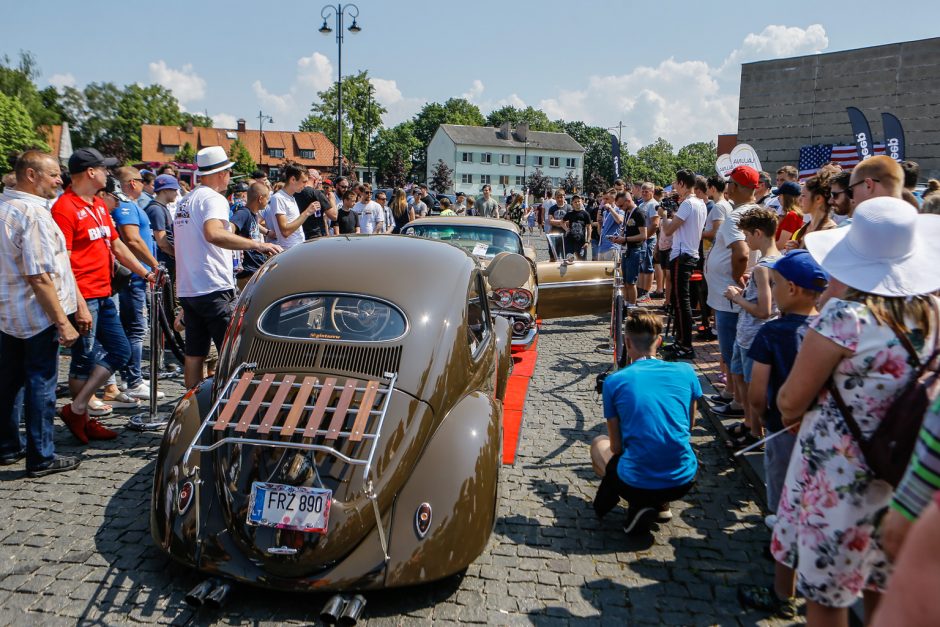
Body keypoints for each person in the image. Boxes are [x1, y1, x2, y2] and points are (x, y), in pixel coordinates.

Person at [771, 197, 940, 625]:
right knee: (881, 586)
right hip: (903, 474)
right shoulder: (934, 313)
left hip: (841, 477)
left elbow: (790, 400)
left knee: (828, 600)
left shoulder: (845, 318)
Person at [737, 249, 828, 618]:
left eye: (774, 285)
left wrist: (757, 418)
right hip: (819, 433)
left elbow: (757, 391)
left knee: (784, 501)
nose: (770, 290)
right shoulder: (828, 329)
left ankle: (782, 584)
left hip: (781, 429)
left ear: (791, 288)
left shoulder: (773, 332)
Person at [52, 148, 155, 442]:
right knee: (83, 360)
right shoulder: (64, 208)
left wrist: (146, 271)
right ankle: (80, 417)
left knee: (120, 350)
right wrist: (80, 304)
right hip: (83, 296)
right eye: (103, 168)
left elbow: (117, 246)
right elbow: (64, 262)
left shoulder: (98, 204)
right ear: (90, 172)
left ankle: (77, 408)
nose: (108, 173)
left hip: (105, 292)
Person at [0, 151, 84, 476]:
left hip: (9, 314)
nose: (59, 180)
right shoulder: (31, 213)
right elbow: (40, 277)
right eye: (53, 175)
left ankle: (8, 447)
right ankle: (41, 456)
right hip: (35, 316)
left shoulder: (5, 206)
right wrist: (63, 322)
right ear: (31, 175)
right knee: (40, 384)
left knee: (10, 383)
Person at [174, 147, 281, 389]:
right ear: (222, 173)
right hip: (212, 286)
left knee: (195, 354)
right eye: (228, 172)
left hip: (190, 287)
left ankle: (192, 404)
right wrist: (257, 245)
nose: (229, 177)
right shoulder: (213, 199)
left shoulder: (186, 199)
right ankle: (232, 405)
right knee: (233, 353)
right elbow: (213, 233)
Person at [591, 309, 702, 534]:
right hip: (683, 477)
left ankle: (639, 503)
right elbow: (689, 426)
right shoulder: (686, 371)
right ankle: (661, 503)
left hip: (637, 481)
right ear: (659, 341)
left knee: (599, 444)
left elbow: (617, 447)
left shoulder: (615, 381)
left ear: (627, 341)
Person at [721, 208, 781, 447]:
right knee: (739, 376)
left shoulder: (762, 267)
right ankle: (749, 424)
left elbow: (765, 310)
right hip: (749, 334)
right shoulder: (780, 259)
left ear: (758, 233)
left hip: (753, 334)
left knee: (749, 383)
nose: (745, 240)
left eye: (747, 235)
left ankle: (755, 432)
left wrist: (737, 298)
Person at [706, 166, 758, 414]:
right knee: (731, 347)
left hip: (730, 292)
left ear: (735, 187)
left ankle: (737, 399)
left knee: (731, 347)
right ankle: (731, 393)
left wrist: (737, 276)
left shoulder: (738, 217)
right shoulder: (750, 211)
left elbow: (742, 252)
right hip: (728, 290)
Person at [112, 167, 162, 401]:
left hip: (138, 275)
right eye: (142, 181)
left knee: (133, 327)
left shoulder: (131, 205)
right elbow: (131, 239)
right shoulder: (126, 206)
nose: (144, 185)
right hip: (134, 277)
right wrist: (152, 265)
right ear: (133, 183)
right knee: (136, 328)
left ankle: (131, 376)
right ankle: (132, 379)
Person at [662, 170, 707, 359]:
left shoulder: (688, 203)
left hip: (682, 255)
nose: (674, 186)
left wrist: (664, 216)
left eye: (676, 183)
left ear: (682, 183)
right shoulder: (700, 203)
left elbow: (669, 229)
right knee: (681, 301)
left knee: (681, 302)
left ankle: (686, 344)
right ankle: (681, 341)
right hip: (689, 254)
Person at [265, 163, 315, 250]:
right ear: (293, 179)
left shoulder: (291, 197)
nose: (305, 185)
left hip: (297, 247)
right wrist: (307, 212)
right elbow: (285, 231)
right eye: (304, 181)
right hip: (289, 250)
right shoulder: (279, 198)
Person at [609, 192, 646, 306]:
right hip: (626, 249)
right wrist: (619, 238)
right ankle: (625, 305)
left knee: (631, 282)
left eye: (621, 206)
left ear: (628, 201)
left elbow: (643, 236)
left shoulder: (639, 213)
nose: (620, 208)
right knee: (625, 282)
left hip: (635, 250)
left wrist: (624, 239)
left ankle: (632, 307)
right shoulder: (627, 212)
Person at [231, 182, 271, 289]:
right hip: (247, 273)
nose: (268, 202)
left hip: (255, 269)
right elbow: (229, 230)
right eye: (267, 199)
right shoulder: (244, 213)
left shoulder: (253, 215)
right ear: (260, 198)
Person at [786, 172, 834, 250]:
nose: (799, 199)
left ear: (818, 199)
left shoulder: (830, 231)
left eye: (803, 195)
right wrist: (795, 251)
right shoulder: (805, 228)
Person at [636, 183, 660, 303]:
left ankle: (646, 292)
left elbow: (655, 224)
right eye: (643, 191)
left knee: (648, 266)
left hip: (648, 239)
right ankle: (640, 290)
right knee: (641, 266)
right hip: (642, 239)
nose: (644, 193)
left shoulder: (654, 204)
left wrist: (646, 237)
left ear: (652, 192)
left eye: (647, 191)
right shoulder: (641, 204)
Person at [595, 190, 624, 261]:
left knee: (611, 271)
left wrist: (610, 208)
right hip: (602, 247)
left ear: (614, 199)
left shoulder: (619, 210)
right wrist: (599, 223)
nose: (604, 201)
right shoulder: (605, 212)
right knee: (601, 271)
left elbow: (620, 220)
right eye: (603, 199)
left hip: (612, 247)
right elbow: (600, 232)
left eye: (606, 199)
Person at [772, 181, 803, 247]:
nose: (778, 198)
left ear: (785, 197)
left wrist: (761, 244)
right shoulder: (791, 214)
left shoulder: (792, 215)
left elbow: (781, 244)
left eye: (780, 195)